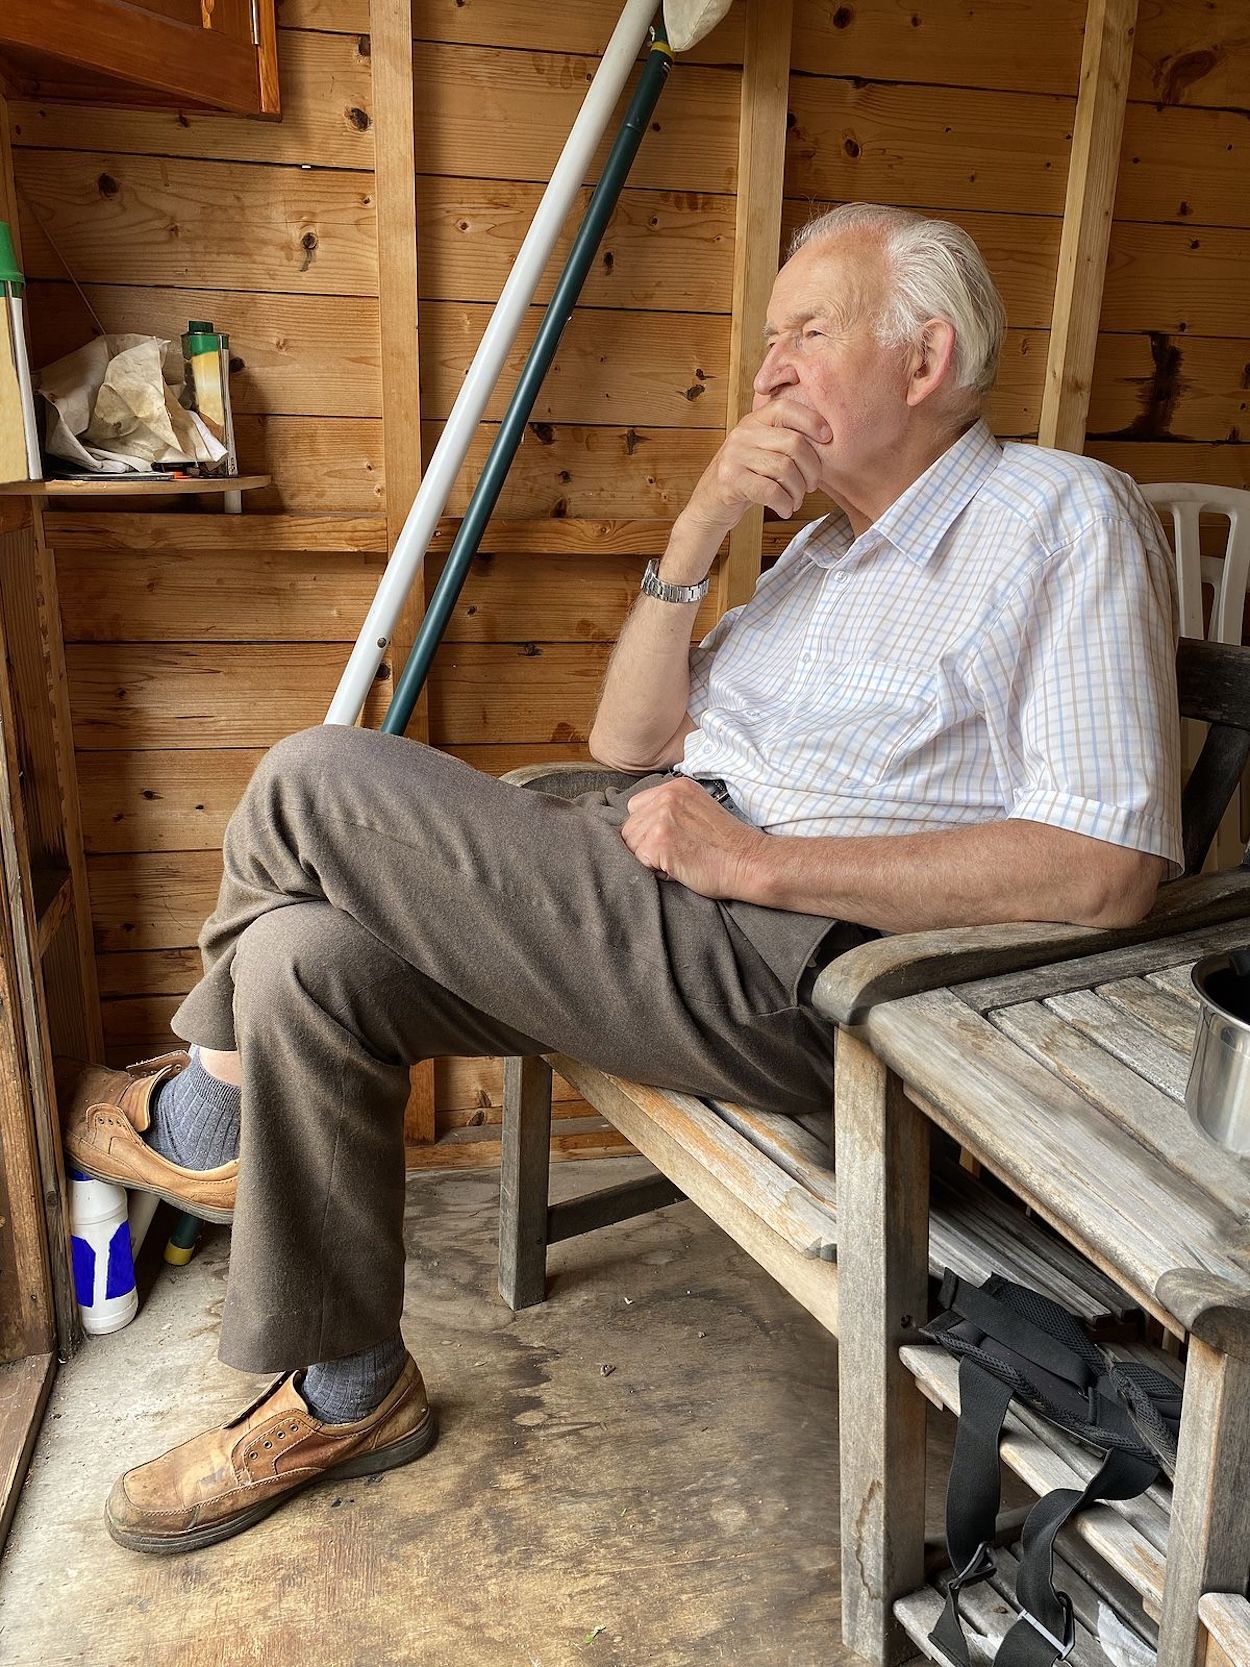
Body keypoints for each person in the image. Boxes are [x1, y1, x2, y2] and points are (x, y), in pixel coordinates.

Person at [63, 202, 1182, 1555]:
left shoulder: (1056, 518)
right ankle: (349, 1388)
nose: (764, 372)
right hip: (653, 882)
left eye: (804, 335)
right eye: (767, 343)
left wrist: (763, 862)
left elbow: (1106, 865)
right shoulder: (822, 550)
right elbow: (627, 741)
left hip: (790, 962)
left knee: (315, 774)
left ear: (924, 359)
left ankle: (199, 1116)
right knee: (307, 964)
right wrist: (704, 520)